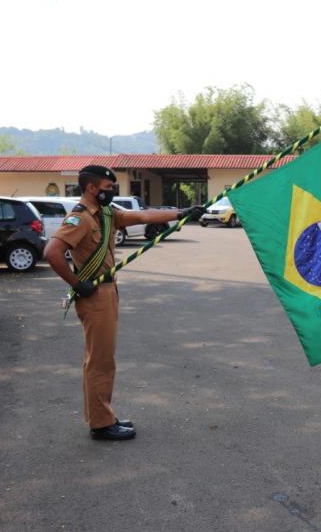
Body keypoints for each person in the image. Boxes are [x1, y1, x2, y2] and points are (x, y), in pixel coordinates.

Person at [44, 165, 204, 440]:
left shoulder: (105, 213)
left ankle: (103, 415)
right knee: (100, 362)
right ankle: (101, 424)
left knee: (103, 360)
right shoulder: (80, 218)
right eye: (107, 188)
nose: (111, 193)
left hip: (107, 291)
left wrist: (181, 213)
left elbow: (141, 215)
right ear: (91, 188)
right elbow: (52, 252)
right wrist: (76, 283)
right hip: (94, 295)